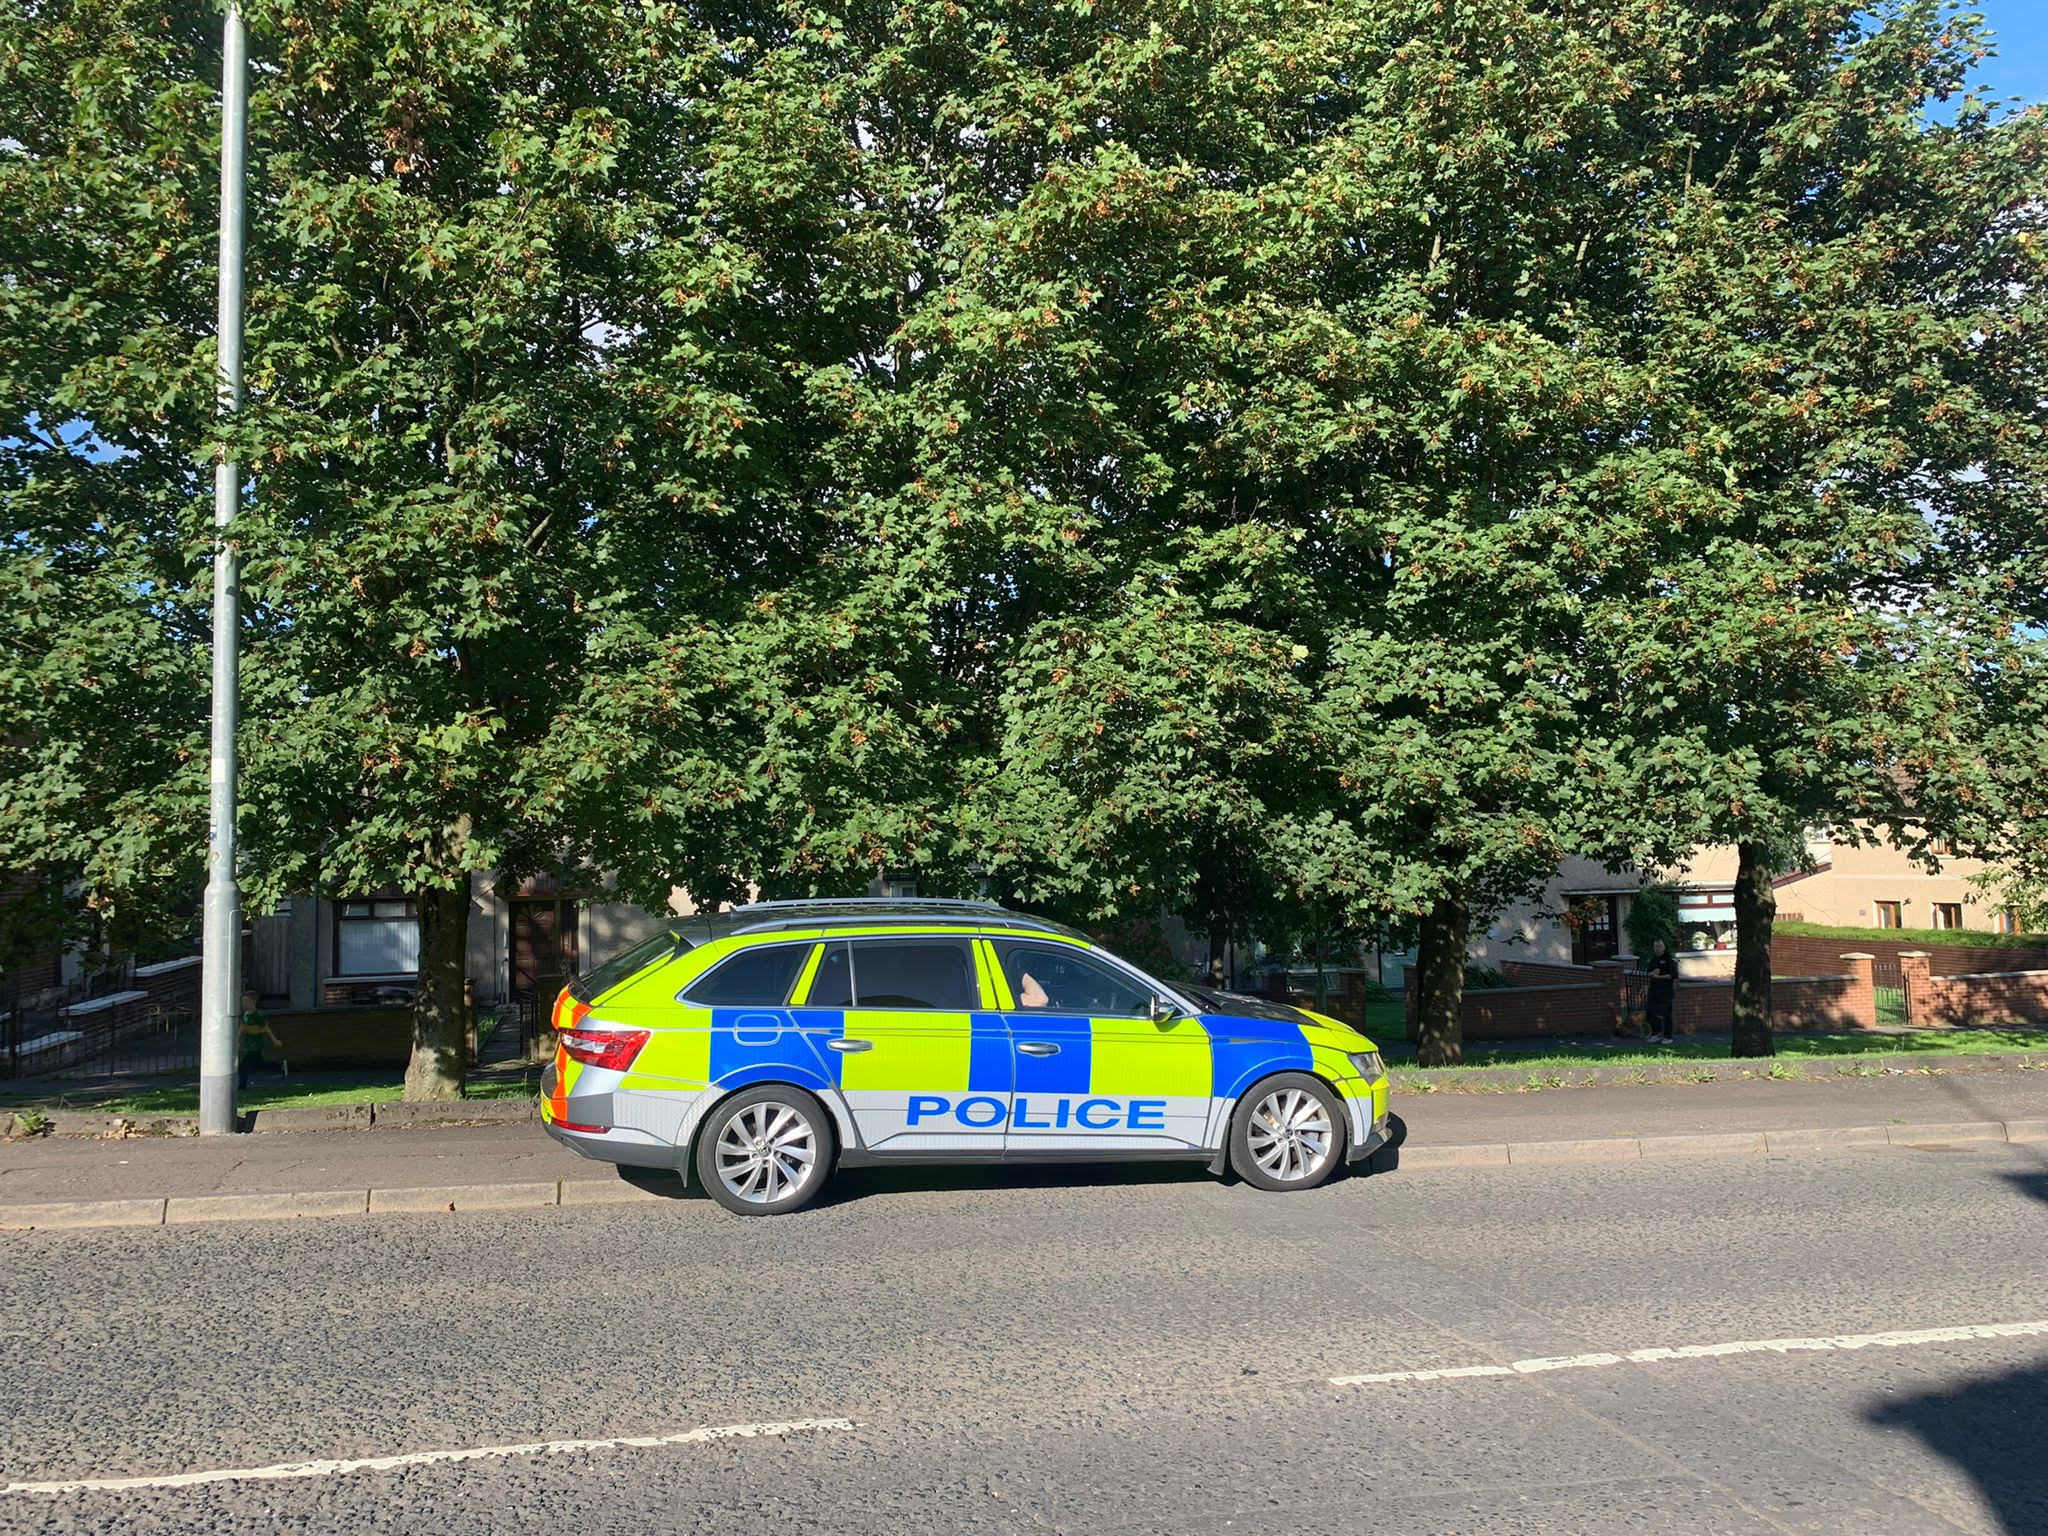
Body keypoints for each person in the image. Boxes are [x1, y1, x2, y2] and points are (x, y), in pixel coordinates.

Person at [238, 991, 281, 1089]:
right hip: (249, 1045)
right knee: (260, 1065)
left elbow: (266, 1028)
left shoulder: (257, 1016)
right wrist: (237, 1040)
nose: (244, 1004)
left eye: (246, 1001)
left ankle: (242, 1087)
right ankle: (280, 1066)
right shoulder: (245, 1015)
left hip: (256, 1046)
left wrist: (275, 1041)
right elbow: (242, 1028)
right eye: (243, 1002)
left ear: (253, 1002)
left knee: (243, 1067)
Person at [1640, 940, 1680, 1045]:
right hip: (1653, 990)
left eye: (1659, 946)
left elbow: (1673, 975)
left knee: (1666, 1014)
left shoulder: (1669, 960)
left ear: (1663, 947)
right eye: (1655, 946)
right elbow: (1648, 972)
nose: (1657, 948)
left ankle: (1668, 1036)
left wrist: (1659, 976)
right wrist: (1652, 973)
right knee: (1651, 1012)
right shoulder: (1653, 959)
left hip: (1665, 991)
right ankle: (1655, 1034)